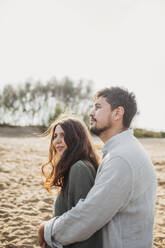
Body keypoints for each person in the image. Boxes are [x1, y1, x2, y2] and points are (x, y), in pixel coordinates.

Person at [38, 86, 157, 248]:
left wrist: (47, 229)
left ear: (117, 113)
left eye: (98, 107)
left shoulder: (121, 159)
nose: (91, 113)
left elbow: (88, 216)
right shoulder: (120, 152)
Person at [38, 116, 102, 248]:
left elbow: (82, 223)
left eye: (64, 135)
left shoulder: (79, 168)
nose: (58, 141)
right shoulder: (77, 165)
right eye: (55, 136)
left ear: (77, 137)